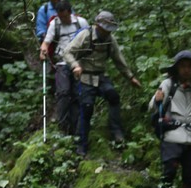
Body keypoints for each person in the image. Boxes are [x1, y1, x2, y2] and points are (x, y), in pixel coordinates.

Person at [61, 10, 142, 153]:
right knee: (86, 108)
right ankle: (81, 144)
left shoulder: (110, 40)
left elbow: (119, 60)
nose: (106, 32)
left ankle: (117, 132)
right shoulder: (85, 35)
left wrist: (130, 77)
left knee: (113, 96)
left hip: (101, 76)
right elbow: (66, 52)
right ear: (98, 26)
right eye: (104, 29)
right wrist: (75, 65)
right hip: (85, 76)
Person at [149, 50, 191, 188]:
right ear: (177, 68)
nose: (186, 70)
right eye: (183, 66)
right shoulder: (168, 84)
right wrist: (157, 99)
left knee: (189, 175)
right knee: (169, 172)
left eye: (190, 66)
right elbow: (153, 107)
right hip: (172, 137)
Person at [40, 0, 88, 135]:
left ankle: (75, 128)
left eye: (65, 16)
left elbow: (89, 40)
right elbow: (46, 42)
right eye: (60, 16)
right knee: (63, 92)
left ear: (70, 12)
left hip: (79, 63)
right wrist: (43, 50)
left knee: (77, 95)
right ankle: (62, 127)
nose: (63, 19)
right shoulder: (55, 24)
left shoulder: (81, 23)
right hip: (61, 63)